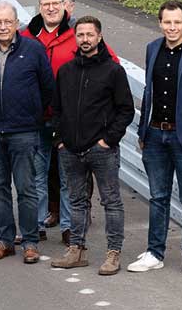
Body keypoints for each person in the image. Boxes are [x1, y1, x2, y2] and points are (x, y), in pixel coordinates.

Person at [130, 0, 182, 276]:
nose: (172, 27)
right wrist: (142, 131)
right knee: (158, 197)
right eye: (167, 22)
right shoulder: (152, 48)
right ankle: (155, 252)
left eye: (177, 22)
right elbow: (148, 93)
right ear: (160, 23)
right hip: (154, 134)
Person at [51, 16, 133, 275]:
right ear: (75, 38)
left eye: (90, 34)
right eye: (81, 35)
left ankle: (113, 253)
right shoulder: (66, 71)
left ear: (99, 37)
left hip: (102, 150)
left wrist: (108, 140)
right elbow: (56, 109)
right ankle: (77, 249)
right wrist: (60, 139)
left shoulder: (113, 71)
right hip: (71, 149)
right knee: (76, 201)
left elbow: (126, 110)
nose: (85, 39)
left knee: (111, 202)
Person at [0, 2, 53, 264]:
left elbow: (47, 88)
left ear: (17, 23)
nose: (3, 27)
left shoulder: (33, 50)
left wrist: (32, 116)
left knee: (27, 188)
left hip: (24, 131)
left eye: (8, 22)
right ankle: (5, 241)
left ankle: (30, 242)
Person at [22, 0, 78, 245]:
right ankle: (37, 224)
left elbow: (107, 65)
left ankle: (68, 227)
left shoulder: (78, 34)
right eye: (46, 4)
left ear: (64, 4)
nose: (52, 8)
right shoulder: (26, 36)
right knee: (37, 173)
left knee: (67, 176)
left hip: (68, 119)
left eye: (56, 3)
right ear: (39, 6)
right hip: (35, 117)